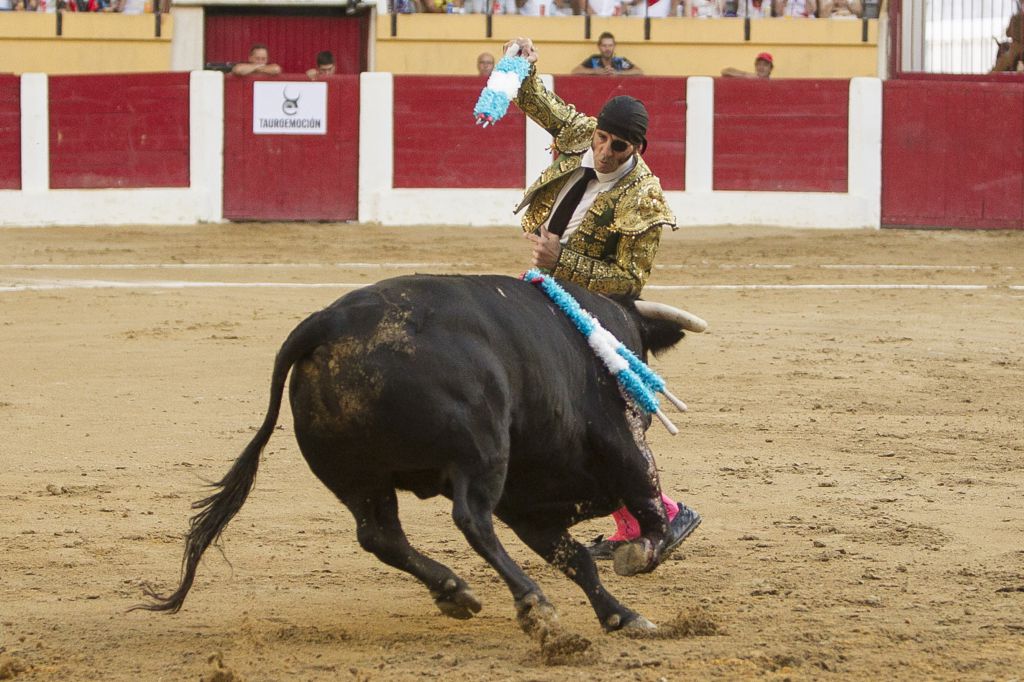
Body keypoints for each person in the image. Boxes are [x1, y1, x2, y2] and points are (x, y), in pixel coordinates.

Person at [504, 35, 701, 562]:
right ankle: (633, 516)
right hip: (543, 289)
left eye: (619, 147)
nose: (604, 152)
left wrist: (562, 260)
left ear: (638, 150)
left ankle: (663, 510)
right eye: (602, 138)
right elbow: (537, 101)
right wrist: (521, 64)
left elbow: (628, 280)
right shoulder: (580, 134)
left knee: (591, 418)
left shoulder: (645, 199)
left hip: (592, 312)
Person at [571, 32, 644, 76]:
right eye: (604, 45)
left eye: (610, 45)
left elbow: (639, 71)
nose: (607, 49)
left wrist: (618, 73)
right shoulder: (594, 59)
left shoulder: (619, 61)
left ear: (614, 46)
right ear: (599, 46)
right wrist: (595, 71)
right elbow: (575, 71)